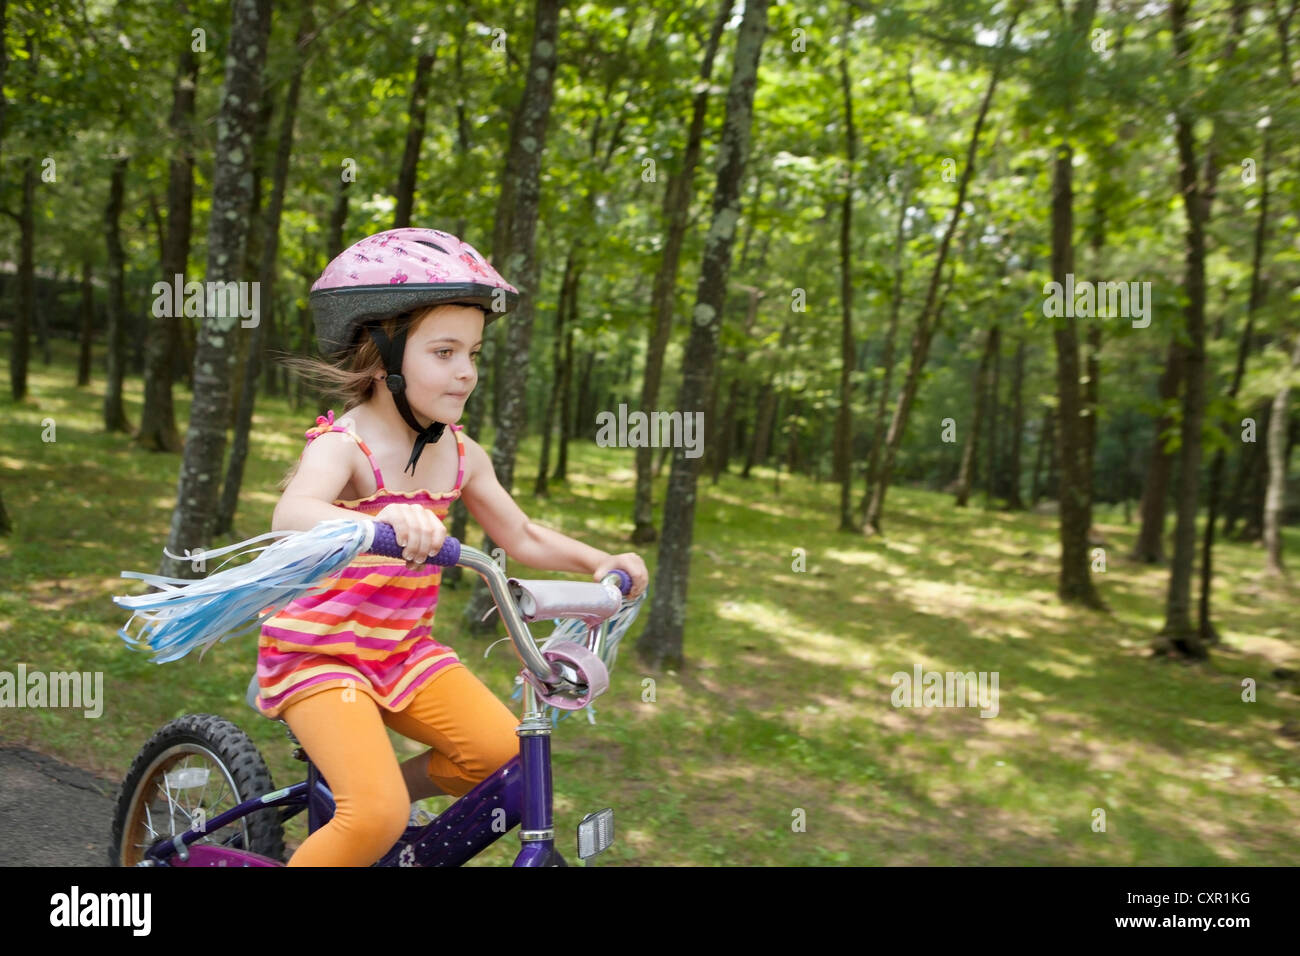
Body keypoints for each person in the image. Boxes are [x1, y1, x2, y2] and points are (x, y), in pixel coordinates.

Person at [256, 227, 648, 866]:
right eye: (443, 351)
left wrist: (599, 562)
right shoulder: (344, 445)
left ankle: (361, 807)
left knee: (501, 757)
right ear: (382, 353)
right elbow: (291, 513)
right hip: (319, 655)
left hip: (405, 652)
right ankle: (369, 811)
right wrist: (385, 523)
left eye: (474, 352)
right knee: (376, 814)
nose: (465, 370)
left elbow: (519, 534)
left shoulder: (462, 453)